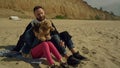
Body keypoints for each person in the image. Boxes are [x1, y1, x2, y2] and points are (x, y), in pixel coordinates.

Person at [11, 6, 86, 66]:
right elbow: (23, 36)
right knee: (53, 36)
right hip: (39, 43)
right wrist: (17, 49)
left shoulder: (48, 21)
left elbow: (55, 31)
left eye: (42, 13)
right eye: (38, 14)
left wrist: (61, 41)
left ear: (44, 12)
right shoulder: (33, 24)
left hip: (52, 42)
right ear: (35, 15)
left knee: (64, 34)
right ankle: (67, 56)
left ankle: (75, 53)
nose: (40, 15)